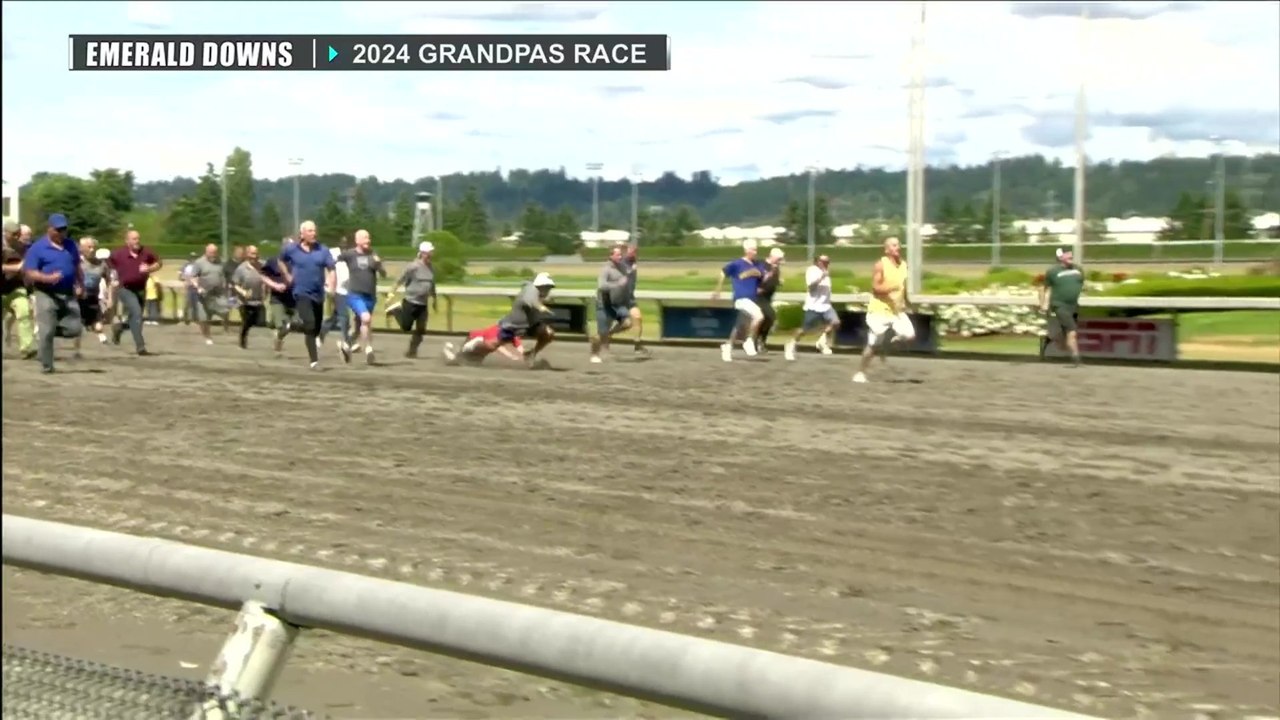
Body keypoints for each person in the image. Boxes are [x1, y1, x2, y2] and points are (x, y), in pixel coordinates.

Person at [21, 214, 83, 374]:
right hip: (45, 292)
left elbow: (77, 267)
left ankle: (46, 333)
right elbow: (30, 272)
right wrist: (47, 278)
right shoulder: (37, 248)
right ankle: (47, 365)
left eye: (64, 229)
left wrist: (80, 284)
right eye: (58, 230)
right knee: (47, 330)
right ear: (49, 229)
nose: (62, 233)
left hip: (67, 292)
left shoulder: (70, 245)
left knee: (75, 328)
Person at [853, 237, 915, 384]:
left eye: (898, 245)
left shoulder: (903, 265)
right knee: (873, 344)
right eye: (894, 245)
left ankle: (887, 345)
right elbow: (875, 288)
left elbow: (902, 286)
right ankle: (860, 372)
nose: (898, 247)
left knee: (910, 335)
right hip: (879, 311)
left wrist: (907, 302)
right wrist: (891, 288)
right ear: (887, 250)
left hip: (896, 311)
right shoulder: (881, 265)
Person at [277, 221, 336, 369]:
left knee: (315, 328)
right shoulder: (292, 249)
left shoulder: (323, 250)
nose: (313, 234)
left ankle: (292, 325)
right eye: (310, 231)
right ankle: (314, 361)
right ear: (302, 234)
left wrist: (331, 284)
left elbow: (331, 269)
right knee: (310, 324)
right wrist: (287, 275)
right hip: (301, 292)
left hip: (318, 294)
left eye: (314, 231)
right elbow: (280, 260)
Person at [108, 228, 162, 356]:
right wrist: (113, 278)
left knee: (135, 318)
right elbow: (108, 266)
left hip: (141, 289)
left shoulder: (146, 252)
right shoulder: (118, 254)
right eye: (134, 239)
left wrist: (150, 268)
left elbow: (159, 263)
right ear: (127, 241)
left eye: (138, 238)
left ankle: (119, 328)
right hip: (124, 288)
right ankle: (140, 347)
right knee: (136, 312)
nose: (137, 241)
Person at [711, 240, 766, 362]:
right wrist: (718, 289)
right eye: (752, 249)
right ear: (746, 250)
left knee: (739, 327)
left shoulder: (758, 265)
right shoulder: (737, 264)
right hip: (741, 298)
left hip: (752, 299)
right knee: (759, 316)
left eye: (755, 249)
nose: (755, 252)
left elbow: (761, 277)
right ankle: (749, 341)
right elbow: (723, 273)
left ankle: (727, 346)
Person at [336, 229, 385, 364]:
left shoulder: (373, 254)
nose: (368, 240)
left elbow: (384, 274)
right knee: (366, 318)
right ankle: (369, 350)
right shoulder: (349, 254)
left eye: (369, 238)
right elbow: (331, 262)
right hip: (355, 294)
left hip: (370, 296)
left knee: (361, 326)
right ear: (357, 240)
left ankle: (345, 346)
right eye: (365, 238)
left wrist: (379, 264)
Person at [385, 240, 438, 359]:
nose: (431, 254)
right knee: (406, 327)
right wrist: (391, 293)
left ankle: (412, 351)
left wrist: (434, 299)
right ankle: (396, 311)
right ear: (423, 253)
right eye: (429, 252)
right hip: (411, 301)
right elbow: (400, 279)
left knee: (421, 329)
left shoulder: (431, 268)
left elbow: (432, 284)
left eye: (431, 252)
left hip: (423, 304)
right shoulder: (413, 267)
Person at [784, 254, 840, 361]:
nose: (826, 263)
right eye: (824, 261)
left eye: (828, 261)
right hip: (813, 306)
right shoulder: (812, 271)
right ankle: (791, 344)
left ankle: (822, 342)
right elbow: (810, 286)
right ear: (818, 261)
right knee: (804, 330)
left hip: (826, 306)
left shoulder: (826, 272)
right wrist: (822, 277)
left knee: (835, 322)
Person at [231, 245, 284, 349]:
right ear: (247, 254)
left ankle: (276, 340)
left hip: (259, 300)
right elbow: (235, 284)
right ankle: (242, 341)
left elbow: (272, 275)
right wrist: (243, 292)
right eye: (252, 254)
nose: (254, 256)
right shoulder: (241, 268)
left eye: (256, 253)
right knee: (247, 322)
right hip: (244, 302)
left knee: (261, 321)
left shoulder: (262, 265)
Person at [589, 243, 635, 363]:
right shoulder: (606, 269)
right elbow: (601, 286)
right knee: (601, 333)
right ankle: (594, 353)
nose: (620, 257)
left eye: (621, 255)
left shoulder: (623, 268)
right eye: (618, 255)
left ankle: (608, 335)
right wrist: (617, 284)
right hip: (604, 305)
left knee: (628, 323)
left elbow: (626, 283)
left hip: (618, 305)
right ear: (611, 256)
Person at [1039, 247, 1085, 367]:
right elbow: (1043, 288)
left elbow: (1080, 284)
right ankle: (1076, 359)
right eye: (1067, 254)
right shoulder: (1052, 271)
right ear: (1060, 257)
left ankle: (1049, 339)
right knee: (1072, 331)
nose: (1070, 256)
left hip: (1073, 306)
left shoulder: (1078, 269)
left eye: (1071, 254)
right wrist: (1043, 304)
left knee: (1067, 334)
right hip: (1059, 305)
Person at [2, 220, 36, 359]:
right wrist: (15, 268)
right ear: (5, 233)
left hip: (16, 287)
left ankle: (27, 348)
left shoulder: (22, 248)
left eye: (18, 234)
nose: (17, 237)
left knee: (24, 312)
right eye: (13, 234)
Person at [72, 238, 110, 356]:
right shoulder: (76, 262)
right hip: (78, 299)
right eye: (89, 247)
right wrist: (75, 287)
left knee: (98, 325)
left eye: (94, 247)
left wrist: (109, 296)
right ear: (81, 248)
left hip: (93, 298)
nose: (92, 250)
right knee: (77, 326)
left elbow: (109, 279)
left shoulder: (101, 264)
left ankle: (99, 333)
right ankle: (76, 350)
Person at [187, 244, 230, 345]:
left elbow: (223, 275)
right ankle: (207, 336)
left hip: (218, 293)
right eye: (211, 253)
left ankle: (226, 329)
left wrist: (225, 286)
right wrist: (198, 287)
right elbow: (192, 277)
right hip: (203, 294)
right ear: (206, 252)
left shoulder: (221, 262)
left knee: (226, 311)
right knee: (204, 318)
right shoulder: (199, 263)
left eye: (215, 252)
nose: (213, 255)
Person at [262, 240, 296, 353]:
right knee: (282, 324)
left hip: (293, 299)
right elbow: (263, 276)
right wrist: (274, 285)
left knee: (293, 324)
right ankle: (277, 336)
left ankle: (278, 336)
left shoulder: (298, 261)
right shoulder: (273, 261)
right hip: (277, 298)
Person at [441, 322, 525, 366]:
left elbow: (519, 347)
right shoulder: (496, 330)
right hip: (475, 339)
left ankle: (454, 353)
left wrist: (522, 357)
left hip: (483, 346)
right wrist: (510, 356)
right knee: (459, 358)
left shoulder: (512, 334)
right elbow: (494, 346)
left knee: (474, 363)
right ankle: (448, 349)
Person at [318, 244, 351, 352]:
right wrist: (329, 285)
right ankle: (346, 341)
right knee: (344, 316)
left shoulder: (352, 254)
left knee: (335, 317)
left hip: (347, 290)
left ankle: (321, 333)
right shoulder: (333, 252)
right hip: (336, 289)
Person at [753, 247, 785, 351]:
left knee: (767, 319)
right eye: (778, 259)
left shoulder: (776, 268)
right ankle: (757, 341)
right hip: (759, 296)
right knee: (770, 316)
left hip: (768, 297)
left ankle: (760, 341)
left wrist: (778, 282)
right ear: (772, 257)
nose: (779, 261)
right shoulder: (761, 265)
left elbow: (773, 281)